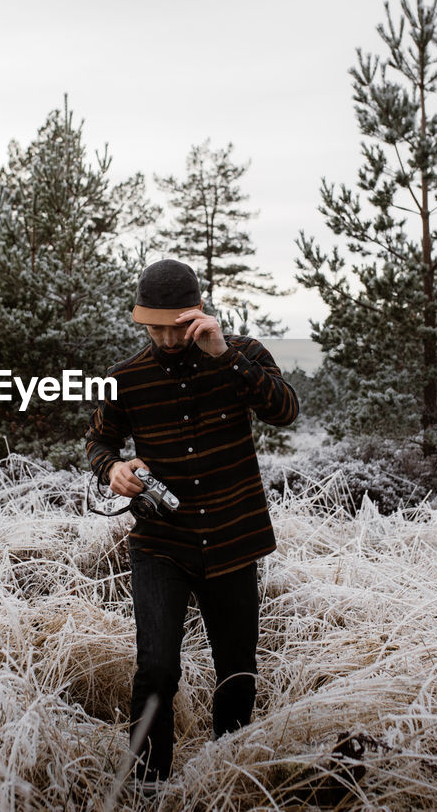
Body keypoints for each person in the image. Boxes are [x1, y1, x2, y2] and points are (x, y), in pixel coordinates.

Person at [84, 259, 299, 791]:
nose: (164, 337)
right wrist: (112, 468)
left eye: (174, 326)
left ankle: (227, 777)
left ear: (197, 314)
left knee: (237, 672)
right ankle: (146, 784)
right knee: (156, 668)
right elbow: (98, 441)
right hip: (161, 544)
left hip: (231, 539)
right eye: (153, 327)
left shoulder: (242, 355)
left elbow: (285, 410)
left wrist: (223, 357)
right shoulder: (125, 379)